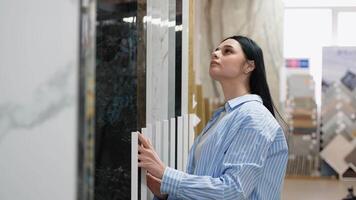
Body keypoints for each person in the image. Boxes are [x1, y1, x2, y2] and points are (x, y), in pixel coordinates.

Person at [138, 35, 288, 200]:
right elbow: (206, 188)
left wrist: (165, 174)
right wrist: (167, 194)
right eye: (216, 50)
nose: (216, 54)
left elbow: (233, 191)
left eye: (227, 51)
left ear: (248, 66)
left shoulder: (254, 117)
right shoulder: (222, 116)